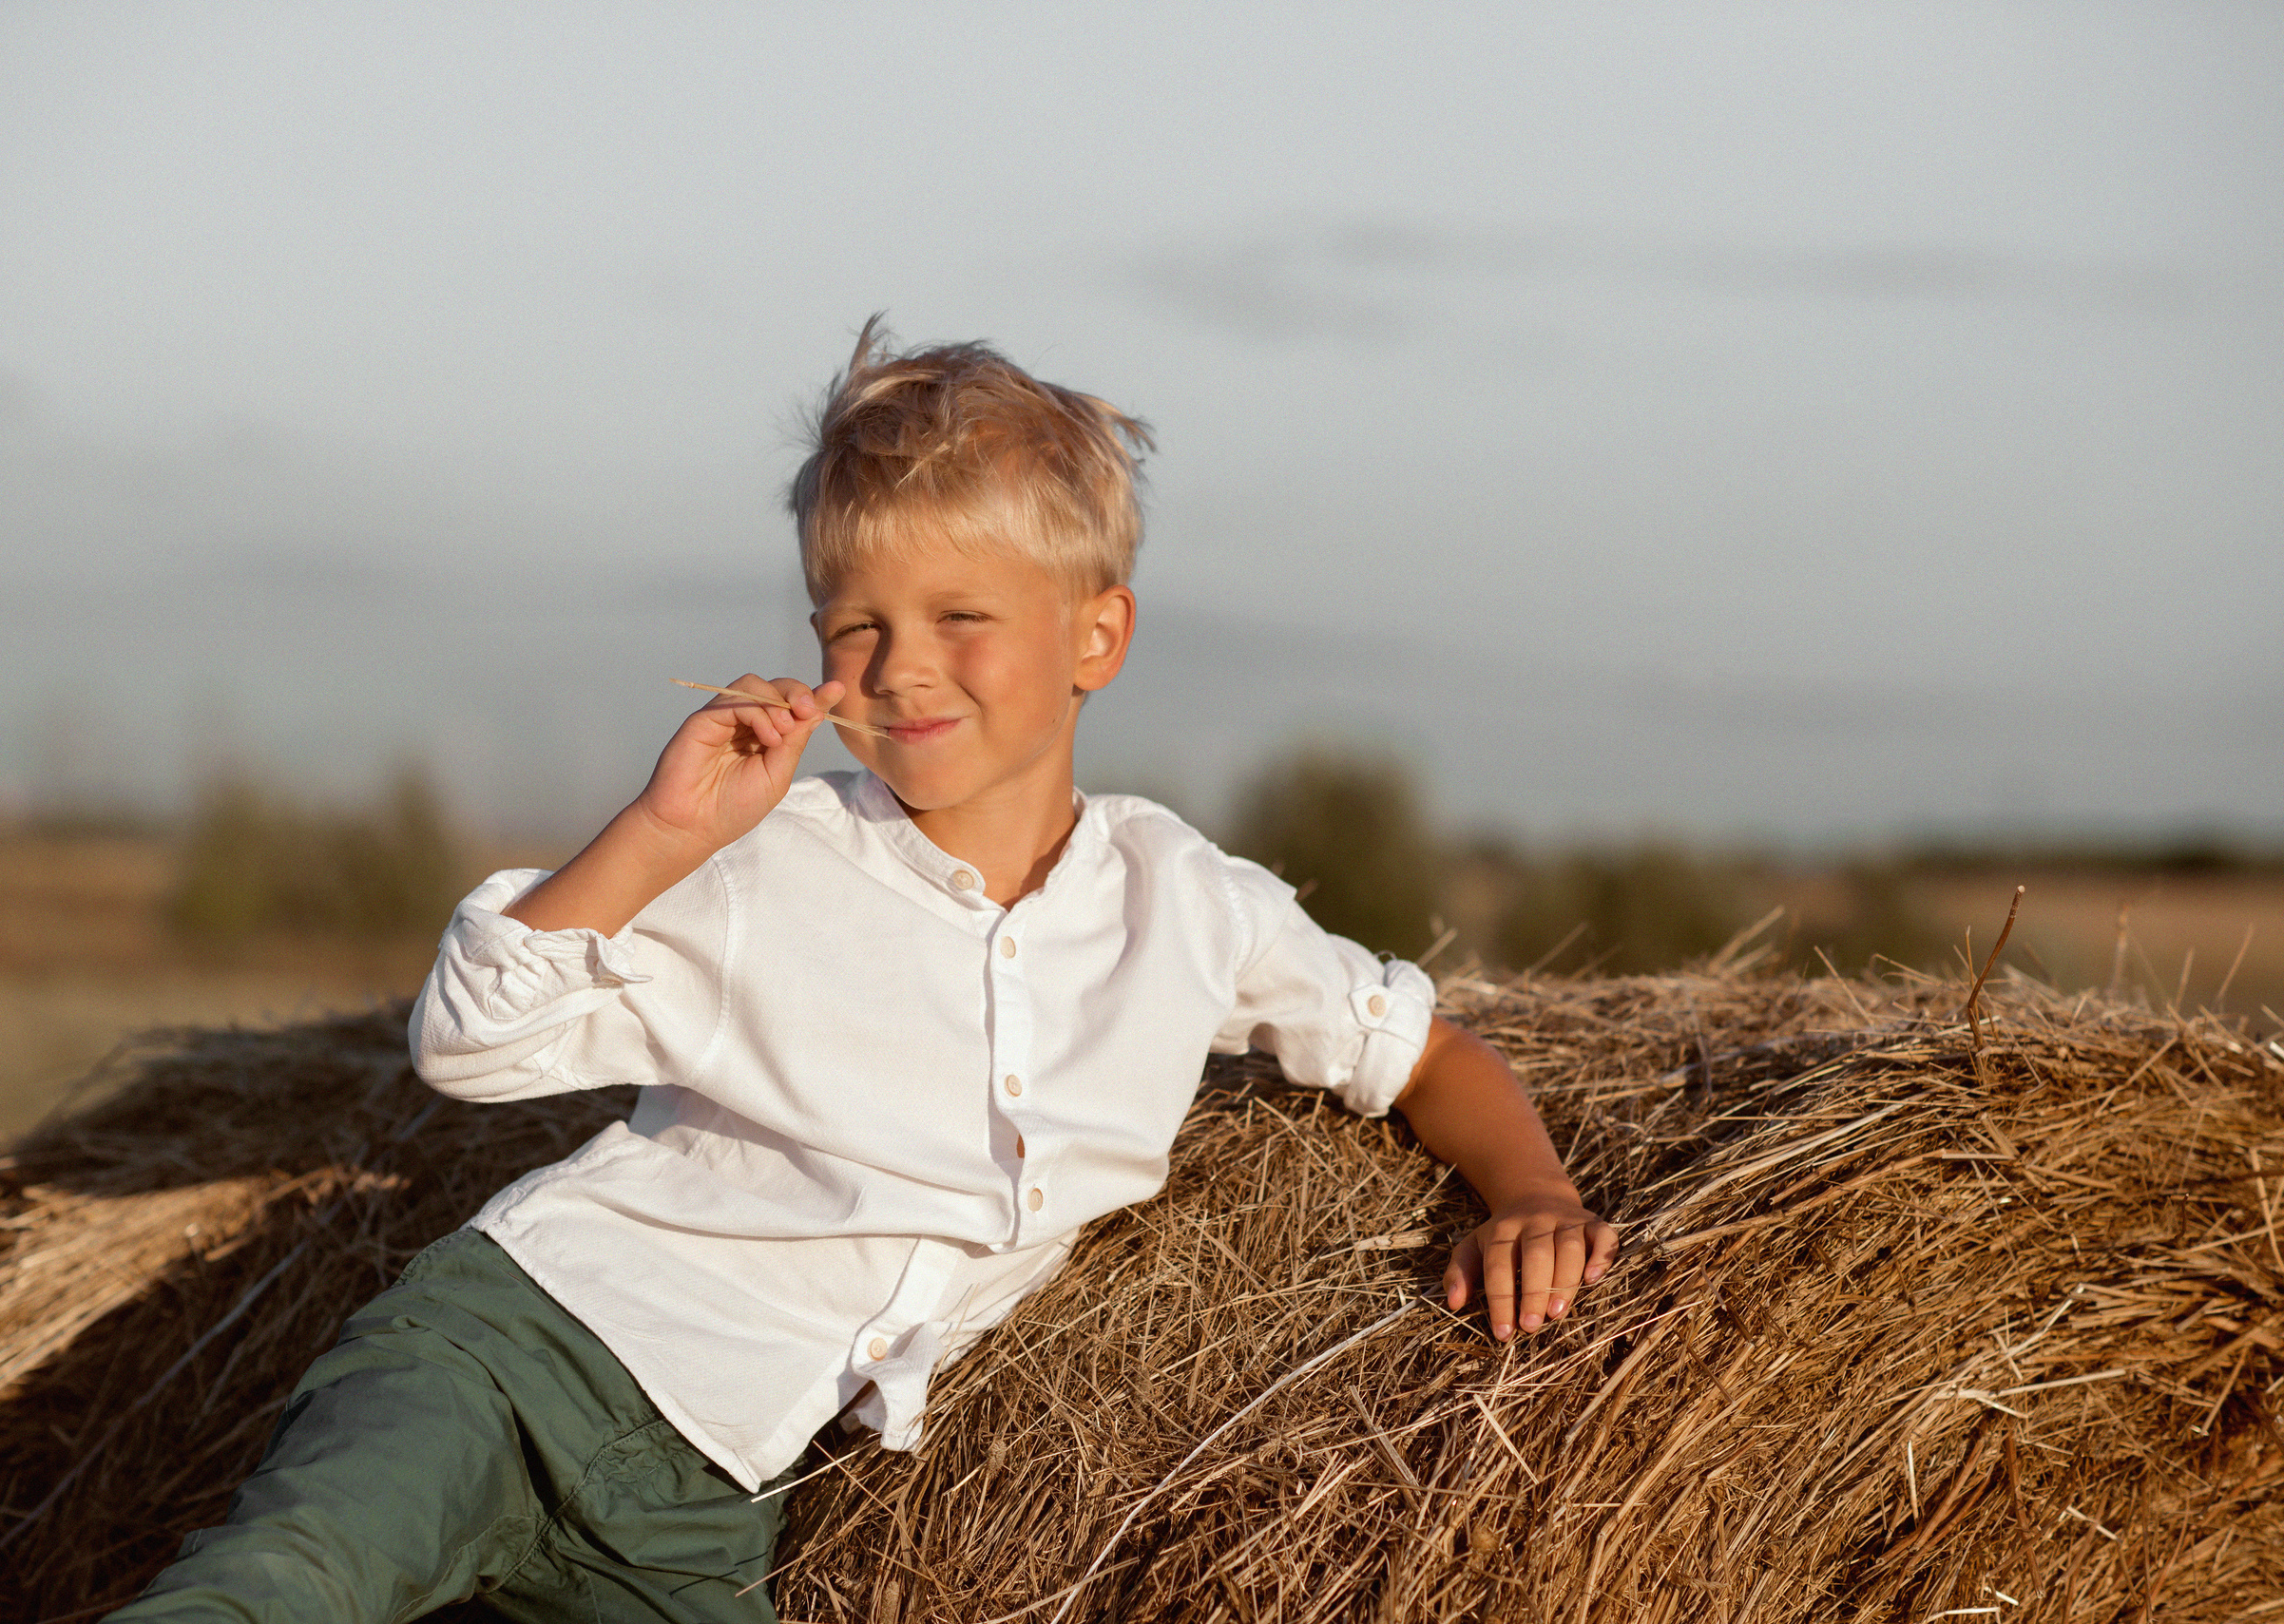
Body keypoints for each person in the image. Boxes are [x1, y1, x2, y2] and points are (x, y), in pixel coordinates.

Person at [109, 321, 1619, 1623]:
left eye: (964, 617)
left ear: (1099, 634)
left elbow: (1418, 1052)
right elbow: (473, 1040)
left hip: (707, 1493)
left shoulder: (1193, 905)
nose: (903, 665)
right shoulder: (768, 862)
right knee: (280, 1589)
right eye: (858, 626)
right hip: (513, 1356)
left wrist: (1534, 1191)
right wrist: (660, 830)